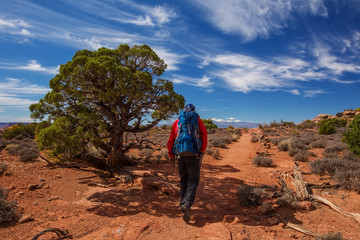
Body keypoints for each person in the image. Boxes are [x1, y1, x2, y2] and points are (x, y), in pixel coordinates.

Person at [167, 103, 208, 223]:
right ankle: (187, 204)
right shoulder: (198, 121)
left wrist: (170, 153)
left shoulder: (178, 121)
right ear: (194, 111)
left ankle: (182, 203)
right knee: (193, 180)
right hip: (193, 154)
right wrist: (202, 150)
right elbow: (204, 135)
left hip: (180, 154)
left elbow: (171, 139)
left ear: (184, 111)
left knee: (183, 179)